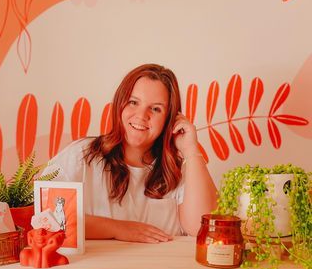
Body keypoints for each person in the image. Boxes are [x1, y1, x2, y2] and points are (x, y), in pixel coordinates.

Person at [45, 63, 217, 243]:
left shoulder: (181, 168)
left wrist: (191, 151)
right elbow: (45, 215)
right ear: (120, 104)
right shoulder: (81, 155)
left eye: (156, 108)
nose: (142, 115)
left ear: (170, 119)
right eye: (133, 102)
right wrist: (117, 228)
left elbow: (202, 228)